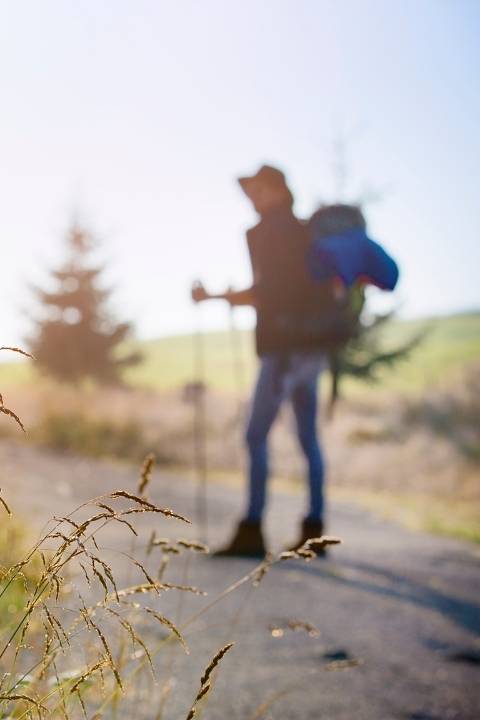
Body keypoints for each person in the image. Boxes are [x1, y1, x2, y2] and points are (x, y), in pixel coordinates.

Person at [192, 165, 328, 558]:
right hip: (312, 350)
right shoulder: (304, 231)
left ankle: (252, 529)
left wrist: (217, 297)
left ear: (273, 190)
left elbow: (271, 292)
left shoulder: (270, 231)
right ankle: (315, 531)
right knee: (308, 440)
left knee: (255, 436)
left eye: (255, 190)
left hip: (283, 349)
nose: (250, 197)